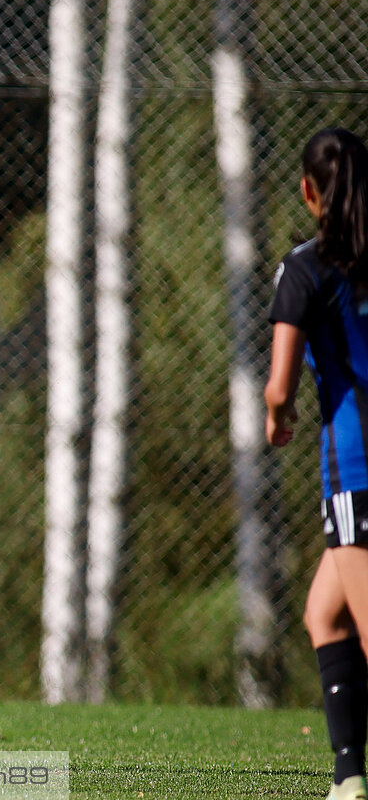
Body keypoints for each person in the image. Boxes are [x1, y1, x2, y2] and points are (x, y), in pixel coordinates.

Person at [266, 127, 368, 800]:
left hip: (356, 469)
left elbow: (279, 384)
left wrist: (279, 417)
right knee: (324, 615)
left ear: (309, 191)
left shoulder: (305, 267)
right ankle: (348, 775)